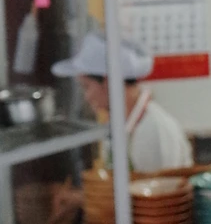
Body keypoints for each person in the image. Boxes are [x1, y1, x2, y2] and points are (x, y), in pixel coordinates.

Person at [52, 31, 191, 175]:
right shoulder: (121, 124)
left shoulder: (152, 130)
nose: (87, 97)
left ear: (108, 82)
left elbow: (157, 187)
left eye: (86, 87)